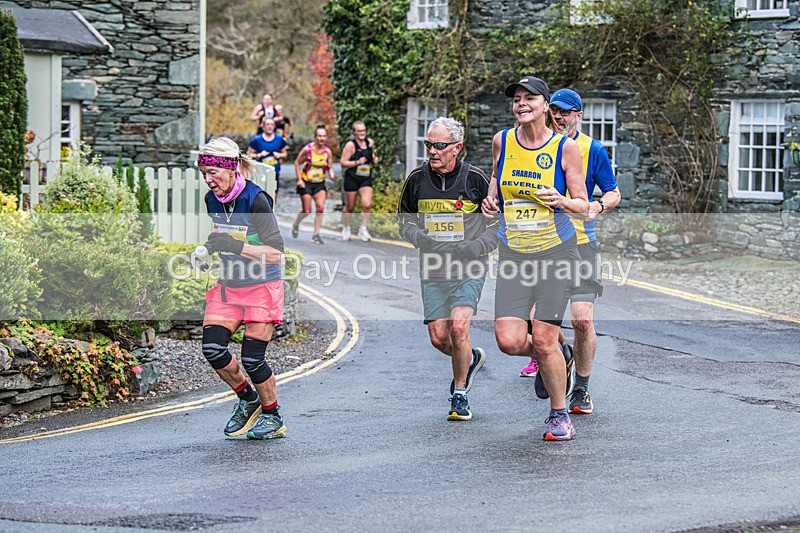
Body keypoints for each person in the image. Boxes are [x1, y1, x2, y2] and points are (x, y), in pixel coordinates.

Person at [482, 76, 589, 441]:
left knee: (541, 338)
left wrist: (562, 201)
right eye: (517, 99)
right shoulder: (503, 141)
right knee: (509, 340)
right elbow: (496, 181)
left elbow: (584, 205)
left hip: (556, 253)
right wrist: (490, 201)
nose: (521, 103)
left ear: (546, 106)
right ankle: (560, 354)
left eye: (530, 98)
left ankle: (559, 415)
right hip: (514, 253)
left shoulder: (564, 148)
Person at [521, 88, 620, 416]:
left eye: (567, 112)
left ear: (579, 114)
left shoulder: (593, 149)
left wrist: (598, 205)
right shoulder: (536, 145)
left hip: (580, 244)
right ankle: (559, 354)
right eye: (556, 112)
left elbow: (613, 192)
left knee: (581, 320)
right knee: (537, 322)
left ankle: (581, 387)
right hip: (543, 243)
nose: (560, 117)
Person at [398, 117, 498, 421]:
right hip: (433, 270)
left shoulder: (475, 179)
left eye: (439, 145)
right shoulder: (416, 179)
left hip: (469, 267)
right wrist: (420, 238)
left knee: (458, 327)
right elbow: (404, 222)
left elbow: (495, 227)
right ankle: (471, 358)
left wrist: (474, 247)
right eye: (428, 144)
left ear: (457, 147)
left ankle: (459, 394)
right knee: (440, 338)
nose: (432, 150)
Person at [194, 137, 286, 440]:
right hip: (230, 286)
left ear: (231, 168)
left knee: (252, 359)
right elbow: (221, 232)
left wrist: (234, 245)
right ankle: (248, 400)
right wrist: (207, 249)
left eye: (213, 173)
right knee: (213, 348)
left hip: (262, 286)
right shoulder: (213, 200)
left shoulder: (256, 200)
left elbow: (276, 253)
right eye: (204, 174)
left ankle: (273, 416)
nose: (208, 181)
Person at [291, 125, 335, 244]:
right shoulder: (307, 150)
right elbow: (297, 163)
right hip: (306, 183)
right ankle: (296, 224)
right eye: (319, 136)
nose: (322, 138)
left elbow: (329, 166)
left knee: (320, 208)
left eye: (324, 136)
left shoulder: (327, 152)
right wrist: (299, 179)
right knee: (307, 210)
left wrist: (331, 173)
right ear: (315, 137)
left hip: (319, 183)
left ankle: (316, 234)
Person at [340, 120, 379, 242]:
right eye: (359, 131)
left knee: (367, 204)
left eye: (364, 130)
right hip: (352, 178)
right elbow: (343, 162)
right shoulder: (350, 145)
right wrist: (357, 162)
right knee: (350, 207)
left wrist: (374, 158)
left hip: (365, 178)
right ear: (354, 132)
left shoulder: (370, 142)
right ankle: (346, 228)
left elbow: (372, 155)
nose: (362, 133)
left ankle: (363, 229)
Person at [247, 117, 288, 201]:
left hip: (274, 171)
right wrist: (259, 155)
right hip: (260, 172)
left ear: (274, 126)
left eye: (272, 124)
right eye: (267, 124)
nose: (269, 126)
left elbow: (285, 154)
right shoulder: (257, 139)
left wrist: (279, 155)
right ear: (263, 126)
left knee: (274, 193)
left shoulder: (279, 139)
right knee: (261, 194)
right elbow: (248, 154)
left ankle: (272, 210)